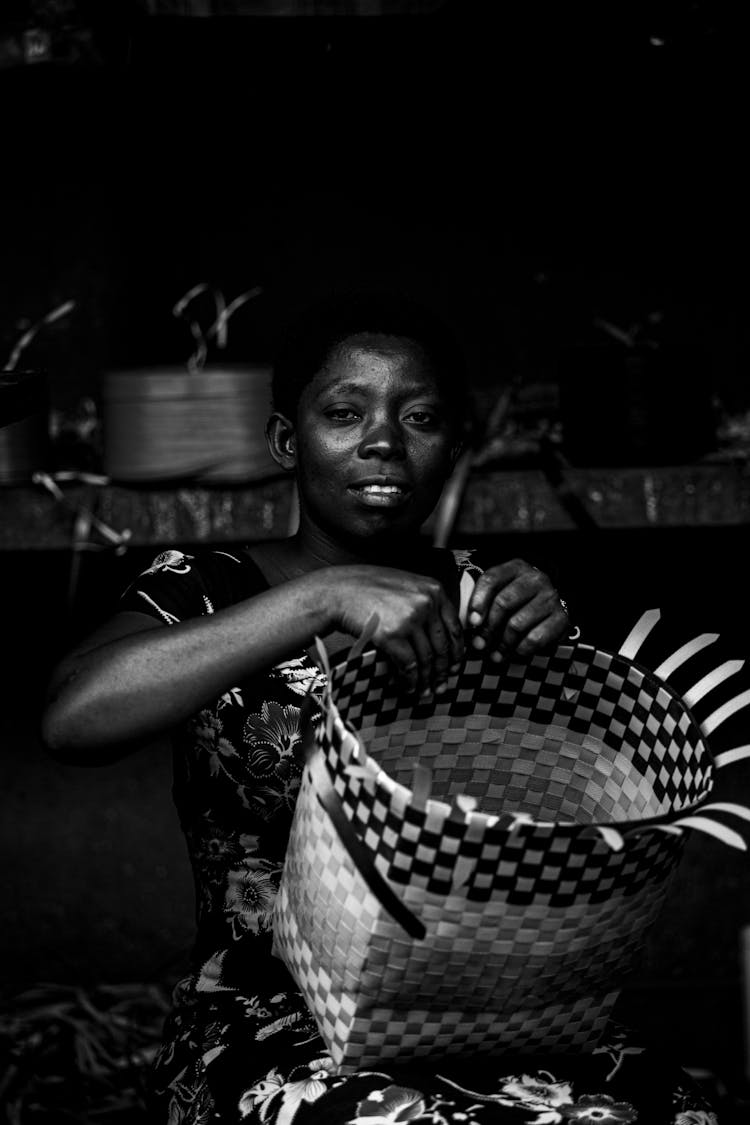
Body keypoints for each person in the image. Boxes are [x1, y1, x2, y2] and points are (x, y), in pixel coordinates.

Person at [41, 294, 717, 1125]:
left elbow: (580, 814)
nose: (384, 440)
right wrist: (321, 598)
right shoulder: (207, 584)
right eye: (345, 412)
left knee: (672, 1110)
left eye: (421, 416)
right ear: (289, 441)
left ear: (456, 444)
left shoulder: (484, 597)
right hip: (271, 1013)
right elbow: (73, 716)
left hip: (491, 1007)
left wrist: (556, 648)